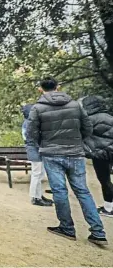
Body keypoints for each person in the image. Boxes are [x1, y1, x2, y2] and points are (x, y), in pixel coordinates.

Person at [27, 77, 107, 245]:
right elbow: (88, 128)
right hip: (75, 153)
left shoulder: (38, 108)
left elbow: (31, 133)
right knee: (83, 191)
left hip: (51, 154)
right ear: (58, 87)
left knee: (59, 191)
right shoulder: (75, 105)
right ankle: (98, 231)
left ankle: (67, 228)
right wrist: (77, 141)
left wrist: (43, 144)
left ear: (40, 89)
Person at [80, 95, 113, 218]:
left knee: (105, 181)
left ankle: (108, 208)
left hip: (100, 155)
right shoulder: (110, 117)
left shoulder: (90, 120)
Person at [22, 104, 53, 207]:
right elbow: (33, 138)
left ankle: (38, 195)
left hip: (36, 150)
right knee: (36, 174)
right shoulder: (29, 124)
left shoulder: (28, 123)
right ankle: (35, 197)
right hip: (35, 150)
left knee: (39, 174)